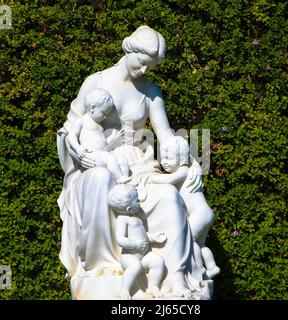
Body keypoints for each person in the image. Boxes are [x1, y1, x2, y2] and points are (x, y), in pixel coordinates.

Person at [57, 25, 208, 299]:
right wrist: (75, 150)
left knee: (168, 197)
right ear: (130, 49)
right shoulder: (97, 82)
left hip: (137, 167)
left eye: (151, 66)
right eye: (142, 63)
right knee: (102, 180)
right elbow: (69, 130)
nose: (144, 71)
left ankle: (175, 276)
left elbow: (167, 138)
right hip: (95, 165)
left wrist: (193, 163)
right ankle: (103, 268)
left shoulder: (151, 92)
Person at [147, 136, 220, 279]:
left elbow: (168, 180)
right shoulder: (185, 169)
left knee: (188, 241)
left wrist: (151, 178)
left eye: (169, 158)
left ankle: (199, 270)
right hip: (204, 213)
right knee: (199, 244)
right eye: (163, 158)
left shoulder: (184, 170)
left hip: (200, 213)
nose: (164, 162)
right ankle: (211, 267)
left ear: (181, 159)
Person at [109, 184, 166, 299]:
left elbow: (142, 236)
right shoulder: (122, 220)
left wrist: (154, 238)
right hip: (129, 257)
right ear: (129, 208)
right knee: (135, 266)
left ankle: (153, 285)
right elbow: (120, 239)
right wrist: (135, 244)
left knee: (157, 261)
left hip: (143, 256)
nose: (139, 200)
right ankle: (125, 289)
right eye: (137, 200)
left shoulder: (137, 218)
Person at [67, 88, 129, 183]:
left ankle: (125, 179)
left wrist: (112, 140)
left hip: (101, 154)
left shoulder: (100, 125)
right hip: (91, 155)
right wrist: (77, 148)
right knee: (109, 159)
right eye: (104, 113)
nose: (105, 117)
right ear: (92, 108)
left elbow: (103, 146)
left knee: (122, 159)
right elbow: (71, 135)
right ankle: (119, 179)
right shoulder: (82, 121)